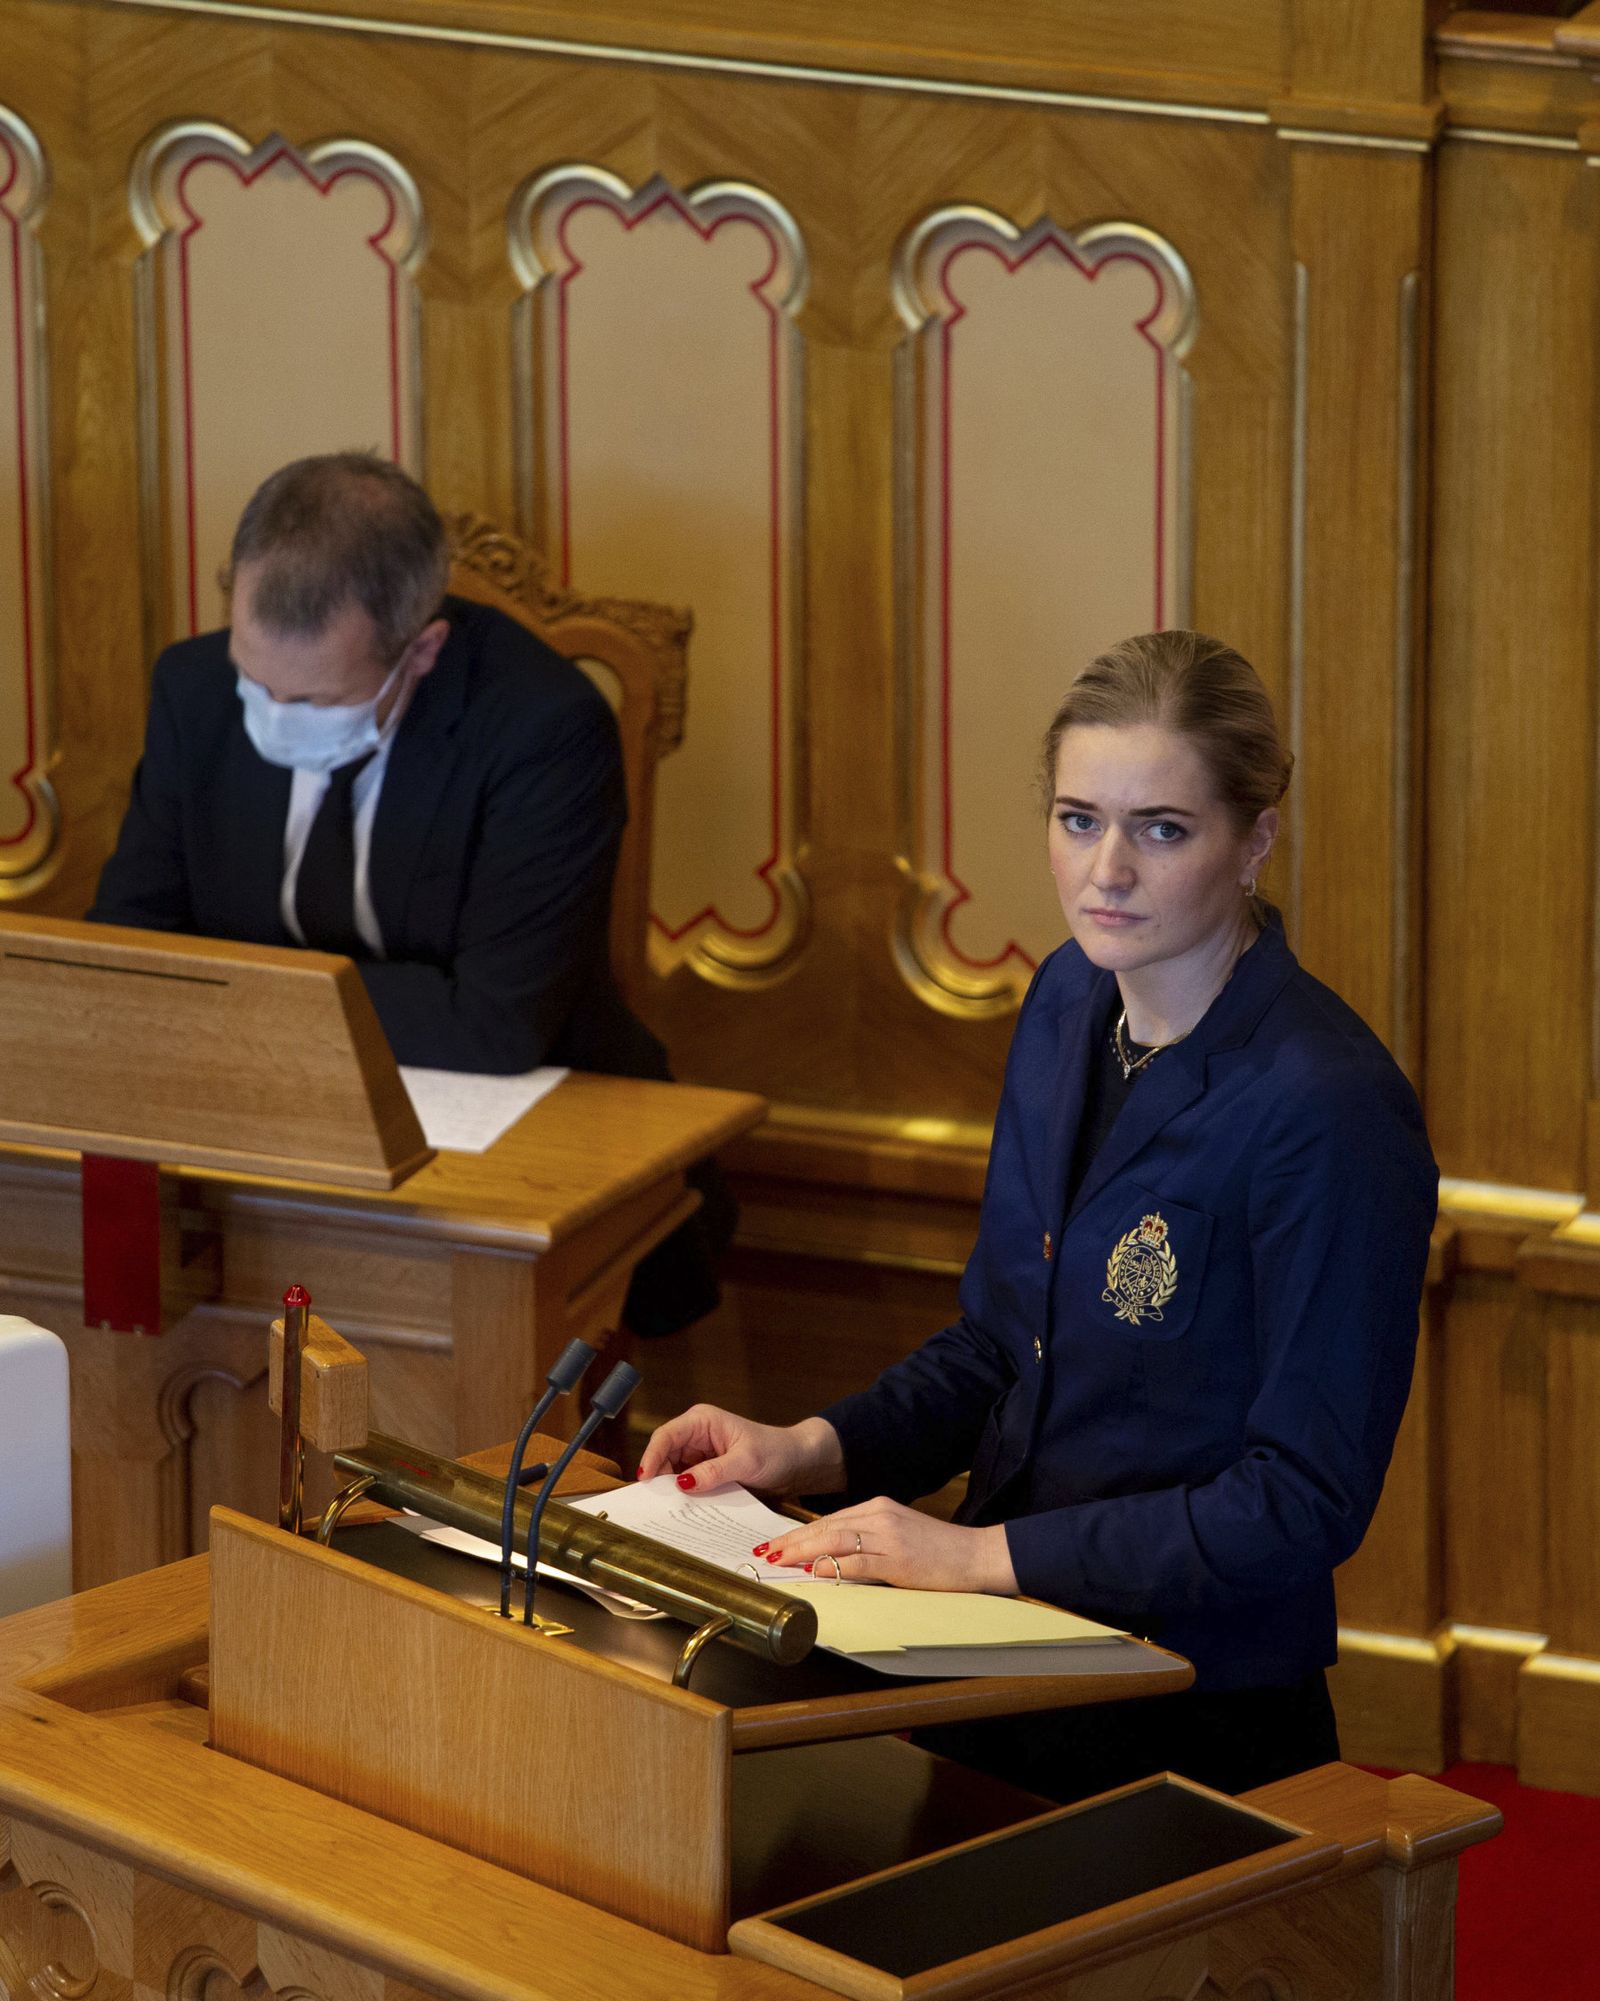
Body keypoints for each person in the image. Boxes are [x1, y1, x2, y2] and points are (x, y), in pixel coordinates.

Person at [639, 631, 1438, 1801]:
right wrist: (807, 1446)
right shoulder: (1067, 997)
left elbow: (1299, 1500)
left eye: (1160, 829)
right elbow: (1002, 1345)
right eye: (1077, 819)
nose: (1105, 870)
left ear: (1255, 838)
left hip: (1187, 1703)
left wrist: (978, 1554)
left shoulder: (1328, 1106)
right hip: (991, 1655)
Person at [91, 451, 727, 1334]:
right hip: (250, 1124)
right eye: (255, 681)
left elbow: (493, 1023)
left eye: (314, 700)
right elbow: (127, 953)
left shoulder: (544, 728)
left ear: (422, 649)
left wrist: (230, 990)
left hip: (520, 1140)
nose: (271, 716)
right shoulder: (194, 689)